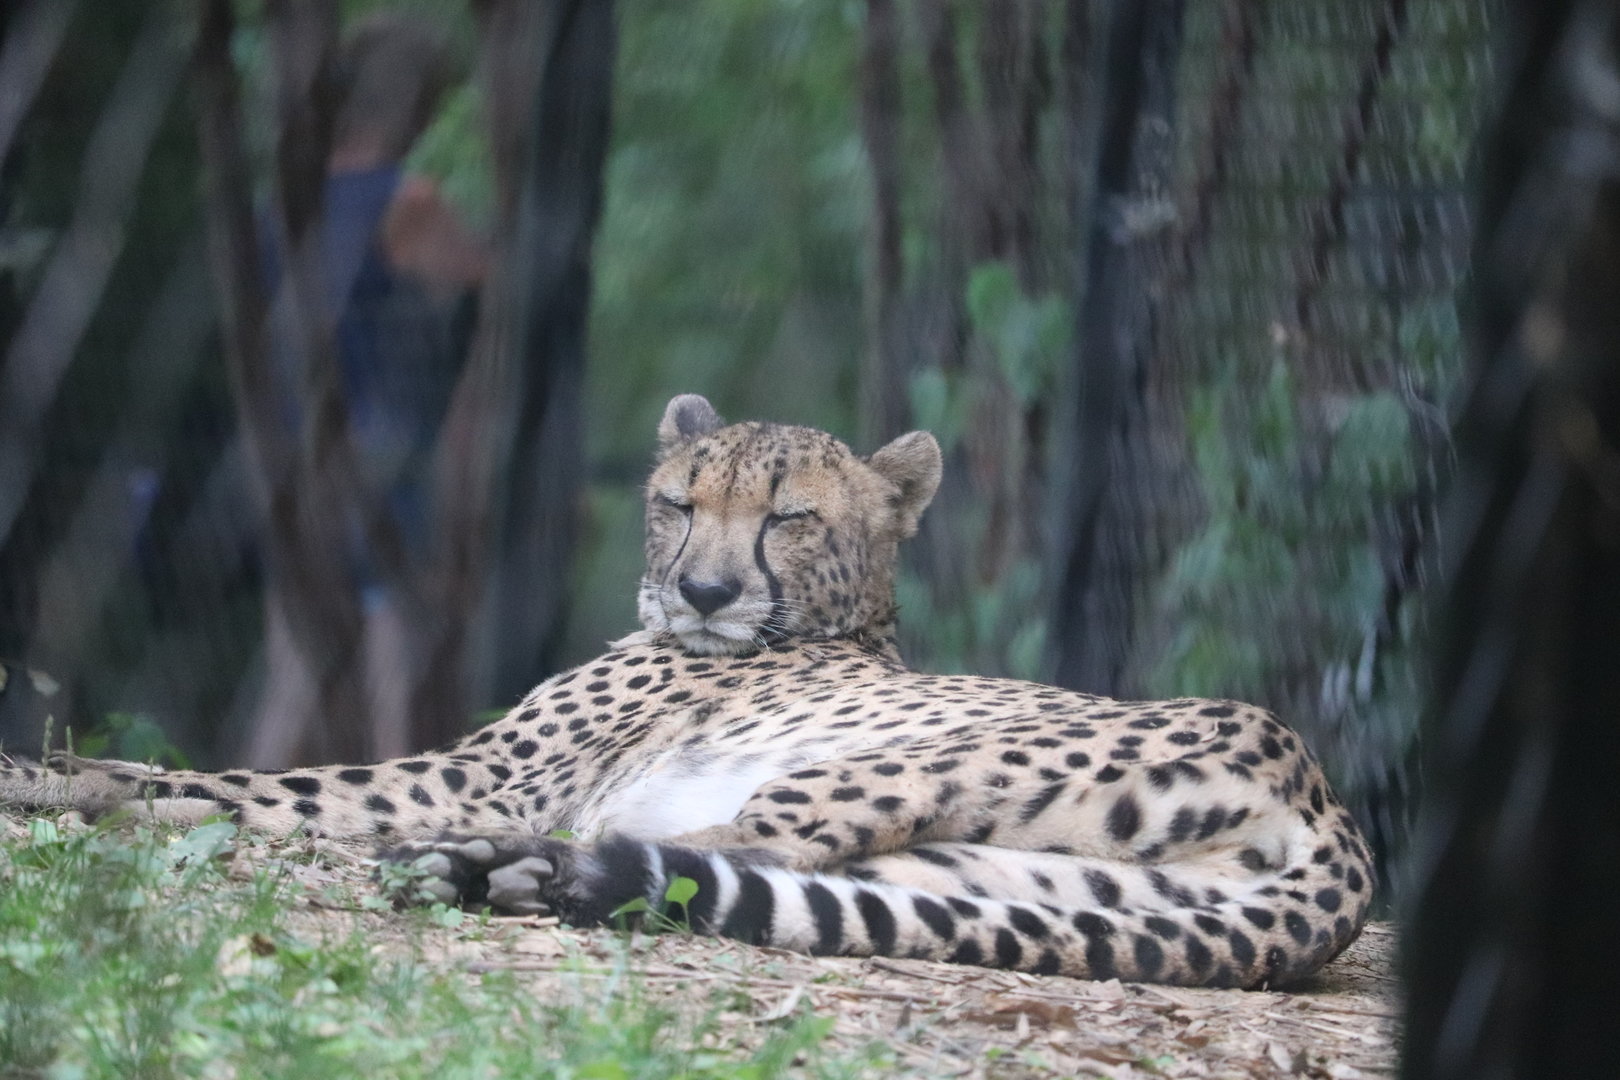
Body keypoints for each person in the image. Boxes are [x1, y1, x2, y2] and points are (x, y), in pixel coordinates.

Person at [250, 13, 488, 765]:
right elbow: (484, 285)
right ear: (417, 105)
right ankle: (392, 810)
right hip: (385, 455)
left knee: (293, 661)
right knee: (396, 656)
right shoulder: (409, 200)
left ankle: (225, 821)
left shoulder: (284, 205)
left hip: (290, 446)